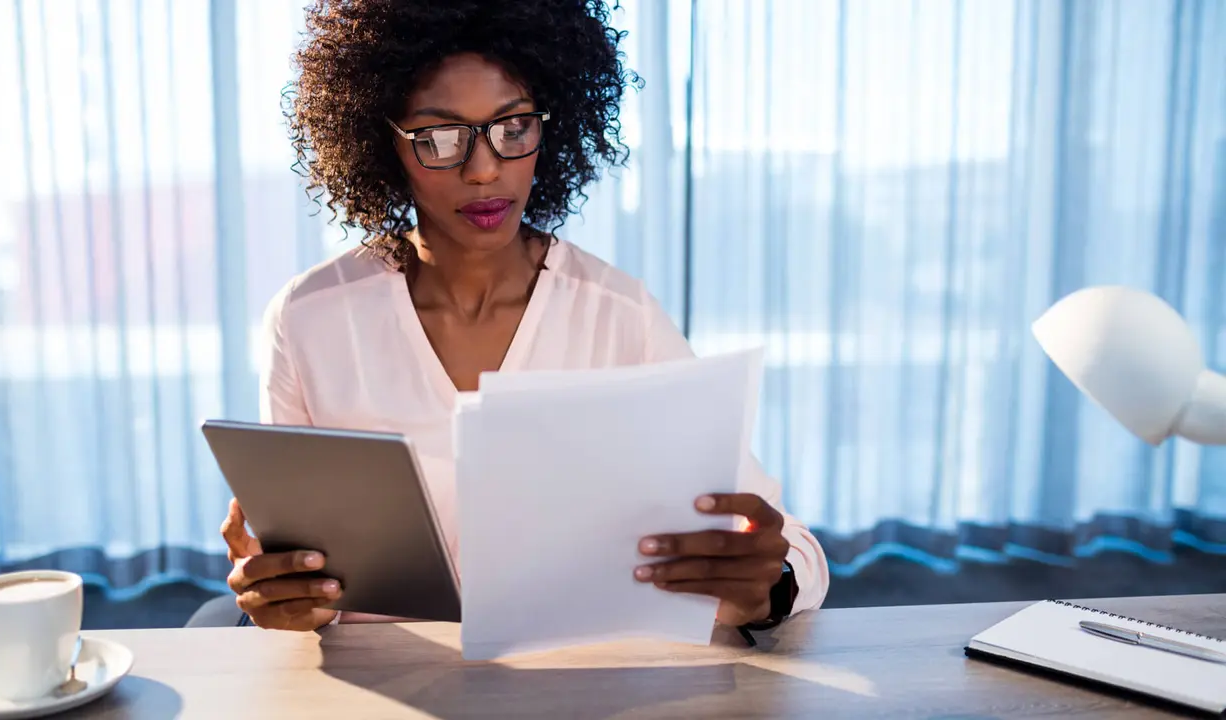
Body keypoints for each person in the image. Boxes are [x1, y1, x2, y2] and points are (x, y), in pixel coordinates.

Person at [219, 0, 830, 634]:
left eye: (513, 128)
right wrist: (284, 603)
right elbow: (296, 578)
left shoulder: (620, 317)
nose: (484, 169)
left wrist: (770, 586)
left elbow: (797, 551)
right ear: (383, 144)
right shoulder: (309, 319)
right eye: (439, 137)